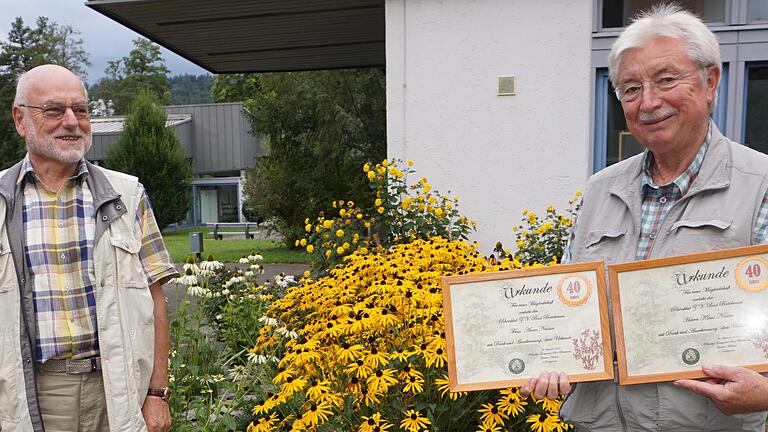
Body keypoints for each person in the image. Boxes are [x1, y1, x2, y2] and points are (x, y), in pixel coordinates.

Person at [519, 4, 768, 431]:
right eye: (630, 89)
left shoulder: (760, 187)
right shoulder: (601, 189)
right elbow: (567, 310)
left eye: (667, 80)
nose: (648, 102)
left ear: (711, 81)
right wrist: (548, 357)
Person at [0, 64, 177, 431]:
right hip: (31, 393)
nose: (71, 121)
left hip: (117, 390)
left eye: (80, 110)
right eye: (54, 110)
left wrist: (157, 394)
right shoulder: (2, 200)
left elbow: (155, 297)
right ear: (20, 119)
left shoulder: (127, 194)